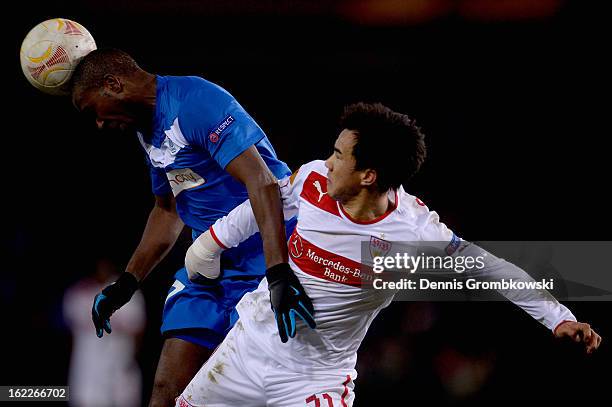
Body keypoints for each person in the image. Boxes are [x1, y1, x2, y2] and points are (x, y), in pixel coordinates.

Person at [177, 102, 602, 406]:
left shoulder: (415, 231)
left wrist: (559, 317)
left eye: (338, 156)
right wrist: (209, 245)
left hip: (312, 381)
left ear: (368, 175)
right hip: (245, 352)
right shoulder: (310, 183)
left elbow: (492, 270)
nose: (326, 163)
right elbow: (261, 206)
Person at [70, 48, 314, 407]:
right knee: (167, 390)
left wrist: (278, 271)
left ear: (112, 84)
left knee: (255, 392)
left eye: (93, 110)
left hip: (266, 257)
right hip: (209, 263)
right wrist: (128, 281)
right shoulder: (147, 131)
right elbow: (168, 210)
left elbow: (262, 182)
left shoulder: (196, 102)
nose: (99, 124)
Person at [63, 258, 145, 407]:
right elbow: (70, 335)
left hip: (120, 367)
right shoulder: (77, 293)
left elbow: (138, 331)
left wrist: (130, 358)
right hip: (88, 369)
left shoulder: (124, 291)